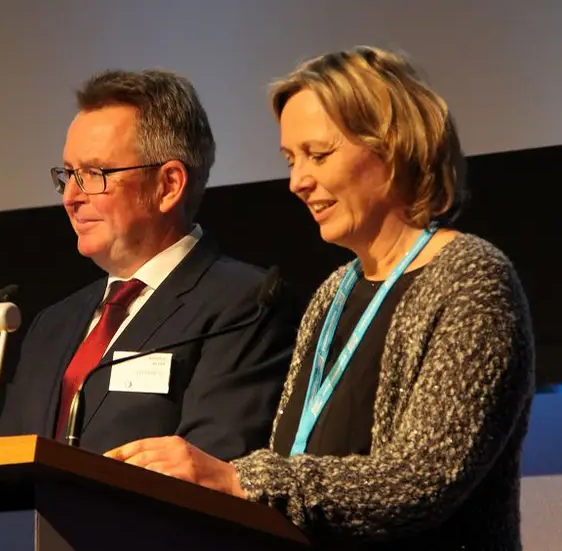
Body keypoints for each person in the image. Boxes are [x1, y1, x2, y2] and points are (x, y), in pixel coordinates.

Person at [105, 47, 535, 550]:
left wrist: (243, 479)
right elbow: (296, 466)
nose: (297, 182)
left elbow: (421, 480)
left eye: (319, 154)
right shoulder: (334, 293)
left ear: (392, 147)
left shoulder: (471, 280)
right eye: (291, 159)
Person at [0, 68, 298, 460]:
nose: (70, 197)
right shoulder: (52, 325)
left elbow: (212, 462)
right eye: (68, 174)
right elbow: (3, 464)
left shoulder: (245, 306)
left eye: (94, 174)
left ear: (168, 185)